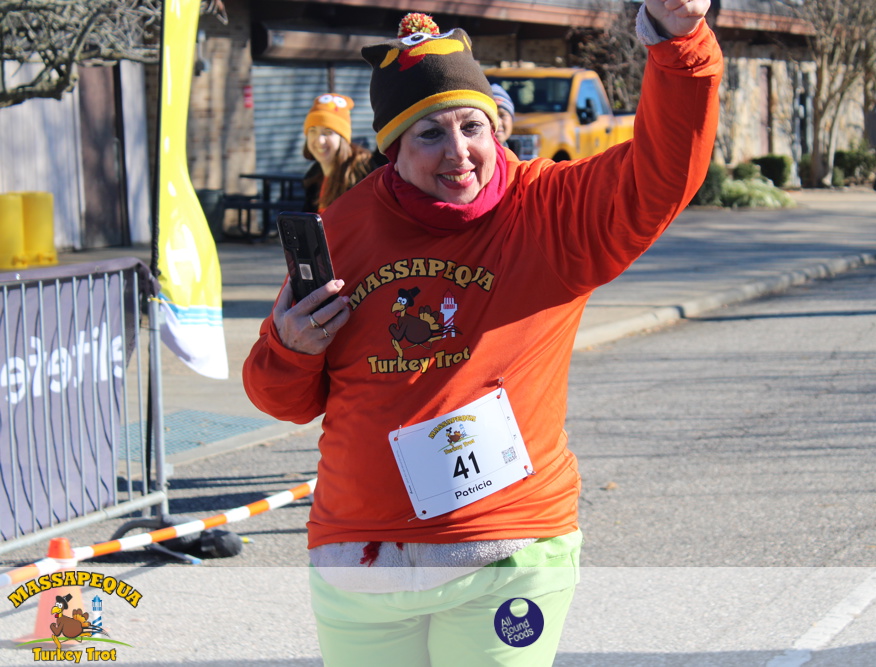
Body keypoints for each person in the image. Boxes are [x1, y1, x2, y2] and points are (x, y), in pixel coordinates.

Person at [243, 3, 719, 665]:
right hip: (363, 561)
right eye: (429, 134)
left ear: (496, 127)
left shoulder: (551, 211)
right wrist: (289, 349)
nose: (459, 151)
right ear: (392, 149)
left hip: (505, 550)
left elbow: (663, 171)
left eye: (472, 126)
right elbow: (281, 398)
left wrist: (681, 40)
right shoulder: (344, 228)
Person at [301, 93, 376, 213]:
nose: (320, 140)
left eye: (328, 132)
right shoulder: (313, 174)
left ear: (342, 139)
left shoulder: (363, 171)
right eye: (313, 131)